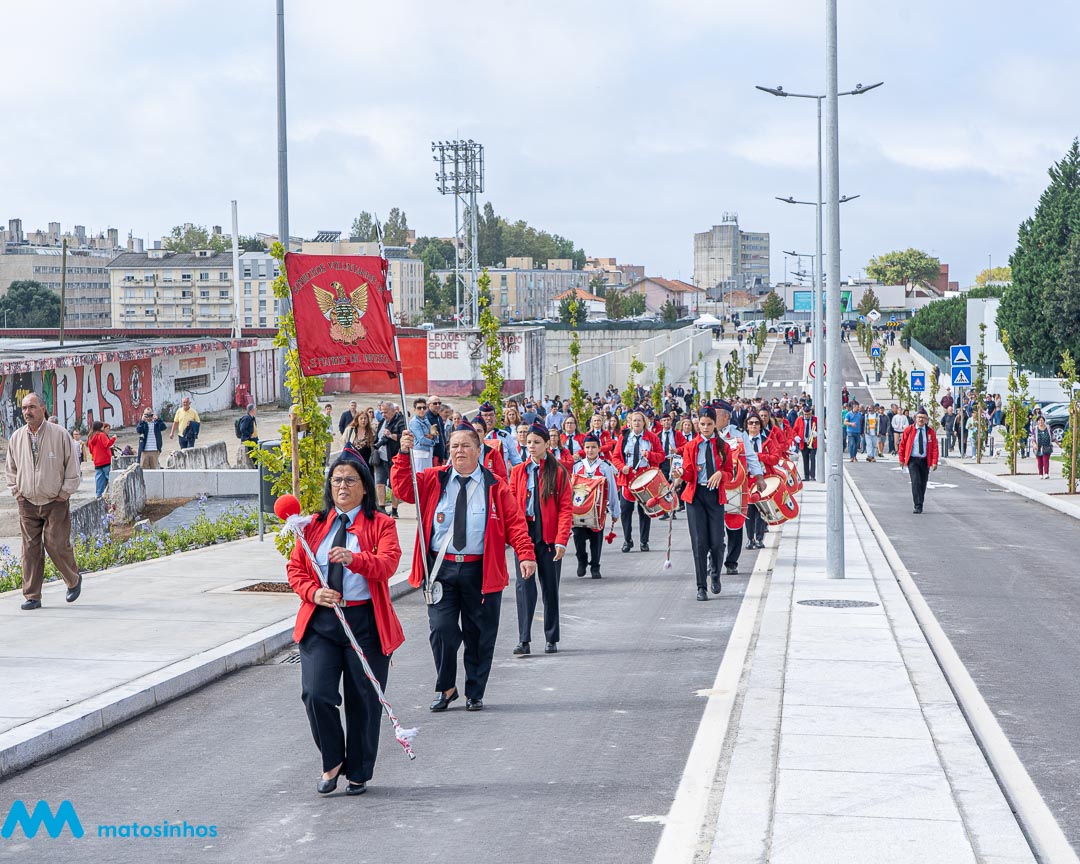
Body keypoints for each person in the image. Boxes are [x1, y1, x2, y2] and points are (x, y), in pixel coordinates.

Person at [393, 422, 536, 712]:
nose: (459, 451)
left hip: (480, 572)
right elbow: (404, 489)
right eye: (454, 446)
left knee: (480, 635)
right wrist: (402, 455)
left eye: (466, 445)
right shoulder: (433, 479)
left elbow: (515, 524)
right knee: (442, 630)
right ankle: (446, 687)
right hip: (441, 571)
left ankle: (475, 691)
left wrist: (526, 554)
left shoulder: (496, 485)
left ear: (478, 449)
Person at [286, 454, 404, 796]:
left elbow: (388, 563)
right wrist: (314, 592)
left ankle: (359, 771)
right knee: (315, 693)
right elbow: (295, 570)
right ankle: (333, 759)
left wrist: (356, 559)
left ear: (365, 487)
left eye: (350, 479)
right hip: (322, 622)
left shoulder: (382, 524)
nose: (342, 486)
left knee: (363, 700)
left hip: (365, 621)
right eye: (336, 479)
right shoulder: (313, 525)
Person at [6, 393, 83, 611]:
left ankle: (73, 580)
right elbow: (10, 468)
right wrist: (17, 493)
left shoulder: (60, 434)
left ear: (43, 408)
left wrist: (65, 493)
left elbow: (72, 466)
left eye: (31, 407)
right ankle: (32, 596)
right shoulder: (17, 437)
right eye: (24, 408)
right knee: (30, 550)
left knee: (56, 544)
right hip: (27, 502)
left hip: (55, 501)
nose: (27, 412)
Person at [509, 422, 572, 655]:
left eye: (536, 442)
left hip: (548, 537)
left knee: (550, 588)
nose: (532, 446)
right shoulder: (518, 471)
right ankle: (523, 639)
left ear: (547, 444)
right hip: (524, 535)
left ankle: (551, 637)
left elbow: (565, 509)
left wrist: (561, 540)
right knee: (524, 587)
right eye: (528, 442)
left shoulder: (558, 472)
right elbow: (511, 506)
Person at [672, 406, 734, 601]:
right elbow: (689, 472)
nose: (705, 427)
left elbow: (730, 473)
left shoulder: (723, 447)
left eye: (709, 424)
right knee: (699, 542)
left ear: (715, 424)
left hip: (715, 496)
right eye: (702, 424)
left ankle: (715, 573)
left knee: (717, 542)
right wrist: (681, 473)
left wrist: (720, 474)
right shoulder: (691, 446)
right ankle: (701, 586)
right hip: (695, 496)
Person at [610, 410, 664, 553]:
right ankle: (627, 540)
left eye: (639, 420)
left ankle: (644, 541)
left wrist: (650, 455)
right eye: (634, 420)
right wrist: (622, 467)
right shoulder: (624, 437)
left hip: (645, 478)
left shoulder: (651, 437)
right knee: (625, 510)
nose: (637, 423)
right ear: (630, 423)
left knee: (645, 510)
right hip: (628, 477)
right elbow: (615, 457)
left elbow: (661, 456)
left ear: (644, 422)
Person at [571, 433, 619, 579]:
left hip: (598, 509)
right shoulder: (578, 466)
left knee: (596, 538)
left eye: (593, 447)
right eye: (587, 447)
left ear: (599, 448)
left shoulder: (605, 467)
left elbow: (612, 489)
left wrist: (615, 512)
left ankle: (595, 566)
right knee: (578, 536)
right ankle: (582, 559)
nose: (590, 450)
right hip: (579, 509)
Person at [898, 407, 939, 514]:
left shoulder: (930, 432)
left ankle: (921, 501)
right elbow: (902, 445)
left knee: (923, 483)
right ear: (915, 418)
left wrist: (934, 461)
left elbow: (935, 447)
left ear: (926, 420)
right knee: (915, 481)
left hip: (925, 460)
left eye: (923, 418)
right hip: (913, 460)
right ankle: (917, 505)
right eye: (919, 417)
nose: (921, 419)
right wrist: (901, 459)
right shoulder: (909, 430)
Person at [374, 403, 406, 517]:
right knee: (379, 483)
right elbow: (378, 437)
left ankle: (394, 509)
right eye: (382, 412)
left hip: (393, 458)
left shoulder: (401, 421)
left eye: (386, 412)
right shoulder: (383, 421)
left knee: (394, 485)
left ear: (393, 411)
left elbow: (403, 437)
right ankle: (382, 509)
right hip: (380, 457)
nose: (384, 414)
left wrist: (391, 435)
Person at [471, 417, 508, 481]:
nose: (476, 434)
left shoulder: (494, 453)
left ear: (485, 434)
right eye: (473, 431)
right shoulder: (465, 453)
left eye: (479, 431)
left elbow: (502, 478)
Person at [86, 420, 116, 498]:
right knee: (109, 478)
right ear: (100, 427)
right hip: (106, 460)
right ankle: (112, 495)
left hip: (97, 461)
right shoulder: (101, 435)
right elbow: (107, 444)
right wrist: (113, 439)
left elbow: (90, 450)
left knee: (99, 479)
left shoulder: (90, 437)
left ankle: (98, 495)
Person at [408, 397, 437, 474]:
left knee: (427, 475)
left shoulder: (426, 420)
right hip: (419, 453)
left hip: (427, 452)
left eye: (424, 408)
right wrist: (433, 441)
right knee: (420, 475)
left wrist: (432, 437)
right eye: (419, 408)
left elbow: (434, 435)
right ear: (414, 409)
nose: (422, 410)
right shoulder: (414, 422)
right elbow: (422, 439)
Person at [792, 404, 818, 481]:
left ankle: (812, 475)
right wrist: (796, 436)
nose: (806, 416)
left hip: (813, 442)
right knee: (805, 459)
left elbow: (820, 428)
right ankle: (806, 476)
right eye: (805, 414)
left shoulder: (815, 419)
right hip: (804, 442)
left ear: (811, 413)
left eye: (808, 414)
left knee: (812, 458)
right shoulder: (799, 420)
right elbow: (794, 430)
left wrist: (816, 433)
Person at [237, 403, 258, 468]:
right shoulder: (247, 418)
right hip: (248, 439)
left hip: (254, 438)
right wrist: (250, 435)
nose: (256, 409)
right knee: (254, 455)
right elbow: (242, 429)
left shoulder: (252, 418)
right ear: (252, 410)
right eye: (255, 408)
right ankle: (257, 468)